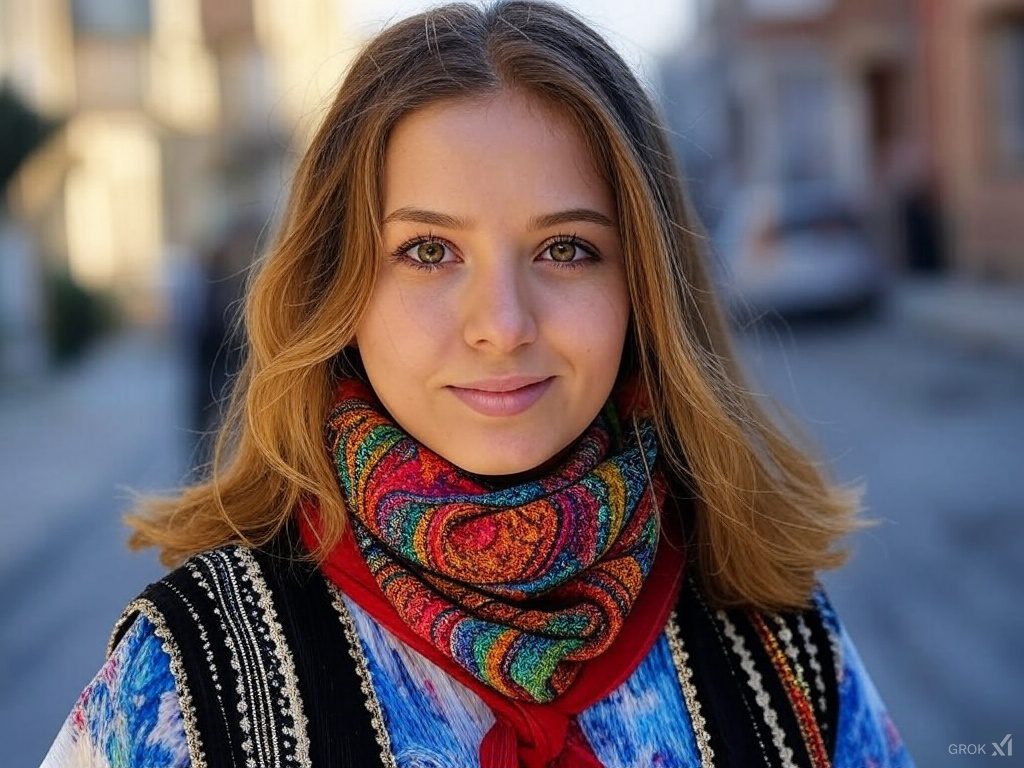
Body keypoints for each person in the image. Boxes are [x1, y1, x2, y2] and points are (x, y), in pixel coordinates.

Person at [41, 3, 914, 766]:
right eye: (429, 251)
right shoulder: (187, 672)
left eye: (566, 249)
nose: (502, 323)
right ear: (337, 287)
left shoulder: (784, 644)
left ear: (644, 287)